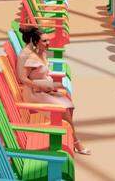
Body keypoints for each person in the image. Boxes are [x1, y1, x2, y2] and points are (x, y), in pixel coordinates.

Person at [17, 26, 90, 155]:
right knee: (65, 111)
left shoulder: (43, 54)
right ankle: (76, 142)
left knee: (70, 106)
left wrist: (50, 86)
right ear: (36, 42)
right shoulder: (32, 58)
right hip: (34, 93)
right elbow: (23, 78)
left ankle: (67, 134)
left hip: (44, 89)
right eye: (44, 41)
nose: (48, 43)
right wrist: (40, 87)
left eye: (48, 40)